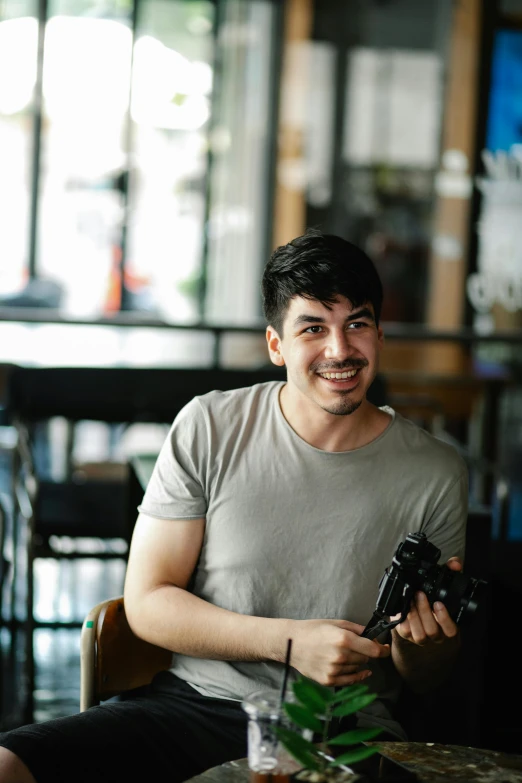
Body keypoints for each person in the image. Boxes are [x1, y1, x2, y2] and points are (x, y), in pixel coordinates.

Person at [0, 229, 468, 783]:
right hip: (192, 708)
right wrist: (289, 644)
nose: (340, 350)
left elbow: (425, 679)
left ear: (379, 335)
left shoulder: (436, 471)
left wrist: (425, 646)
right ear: (276, 345)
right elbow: (146, 601)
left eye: (357, 324)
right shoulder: (210, 425)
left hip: (341, 729)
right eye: (313, 328)